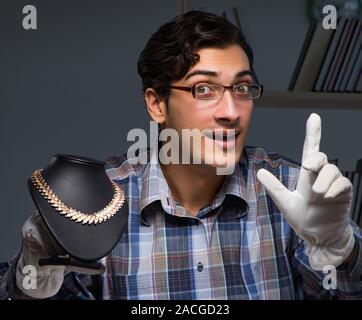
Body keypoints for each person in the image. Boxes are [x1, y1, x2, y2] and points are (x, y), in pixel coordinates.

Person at [1, 10, 361, 300]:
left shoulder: (293, 190)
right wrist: (29, 281)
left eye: (242, 87)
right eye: (204, 88)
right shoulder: (96, 201)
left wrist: (341, 249)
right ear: (156, 104)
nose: (232, 111)